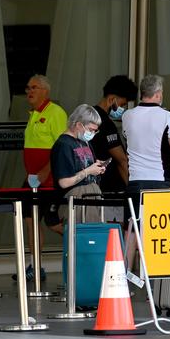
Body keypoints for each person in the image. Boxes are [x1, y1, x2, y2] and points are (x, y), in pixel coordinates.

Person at [16, 74, 68, 282]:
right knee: (29, 219)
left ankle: (86, 241)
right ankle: (35, 265)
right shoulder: (34, 114)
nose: (29, 91)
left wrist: (47, 171)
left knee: (53, 223)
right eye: (28, 87)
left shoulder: (55, 113)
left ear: (45, 91)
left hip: (49, 179)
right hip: (33, 179)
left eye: (34, 87)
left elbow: (62, 146)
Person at [90, 75, 138, 268]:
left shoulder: (87, 116)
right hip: (110, 189)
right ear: (112, 99)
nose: (122, 109)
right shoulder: (105, 123)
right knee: (115, 237)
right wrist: (131, 186)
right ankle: (116, 276)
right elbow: (121, 159)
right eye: (122, 104)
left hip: (93, 186)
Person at [122, 74, 170, 217]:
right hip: (160, 181)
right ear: (158, 94)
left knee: (132, 231)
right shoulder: (169, 117)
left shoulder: (127, 116)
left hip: (135, 180)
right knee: (159, 235)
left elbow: (126, 137)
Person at [51, 104, 106, 234]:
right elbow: (64, 182)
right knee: (81, 240)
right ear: (78, 124)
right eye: (91, 129)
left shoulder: (84, 142)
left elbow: (86, 164)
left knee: (93, 239)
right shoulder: (64, 145)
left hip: (92, 195)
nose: (92, 133)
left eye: (95, 131)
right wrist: (88, 171)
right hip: (76, 199)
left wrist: (97, 167)